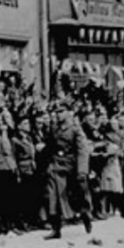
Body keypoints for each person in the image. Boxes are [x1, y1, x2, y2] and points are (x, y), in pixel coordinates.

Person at [43, 103, 93, 240]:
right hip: (55, 166)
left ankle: (85, 215)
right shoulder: (53, 128)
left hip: (71, 167)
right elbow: (50, 146)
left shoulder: (75, 129)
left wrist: (82, 171)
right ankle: (56, 228)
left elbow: (83, 151)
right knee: (52, 196)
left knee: (77, 197)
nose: (58, 114)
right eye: (56, 112)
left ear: (69, 112)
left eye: (61, 111)